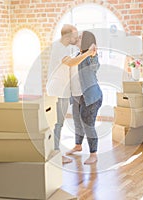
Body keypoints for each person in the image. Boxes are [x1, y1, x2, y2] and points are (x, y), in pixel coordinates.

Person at [46, 25, 93, 164]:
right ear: (67, 36)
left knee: (57, 123)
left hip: (61, 91)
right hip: (58, 91)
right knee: (57, 124)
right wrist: (88, 53)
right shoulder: (59, 48)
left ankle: (55, 152)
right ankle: (56, 154)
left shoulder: (63, 48)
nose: (77, 37)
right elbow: (72, 63)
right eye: (75, 35)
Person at [63, 31, 102, 164]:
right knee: (77, 122)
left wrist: (93, 54)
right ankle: (78, 145)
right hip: (76, 96)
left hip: (90, 97)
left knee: (88, 124)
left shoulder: (89, 57)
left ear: (86, 41)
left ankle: (93, 153)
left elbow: (95, 66)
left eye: (80, 38)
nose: (77, 39)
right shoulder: (76, 55)